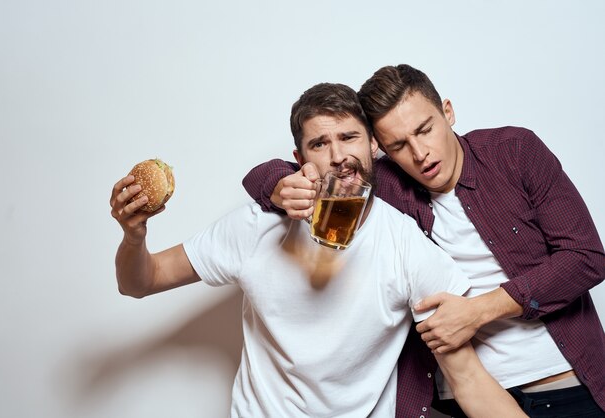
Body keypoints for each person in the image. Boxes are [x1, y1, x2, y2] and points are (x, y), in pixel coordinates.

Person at [110, 83, 527, 417]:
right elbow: (141, 281)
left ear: (373, 147)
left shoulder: (405, 243)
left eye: (349, 138)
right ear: (298, 159)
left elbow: (468, 379)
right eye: (319, 144)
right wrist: (134, 236)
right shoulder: (257, 225)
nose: (339, 157)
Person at [242, 65, 605, 417]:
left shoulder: (514, 152)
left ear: (447, 112)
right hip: (458, 400)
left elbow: (586, 256)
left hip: (560, 386)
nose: (419, 153)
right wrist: (276, 186)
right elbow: (298, 168)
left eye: (425, 130)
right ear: (378, 148)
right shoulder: (383, 183)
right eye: (398, 144)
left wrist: (480, 311)